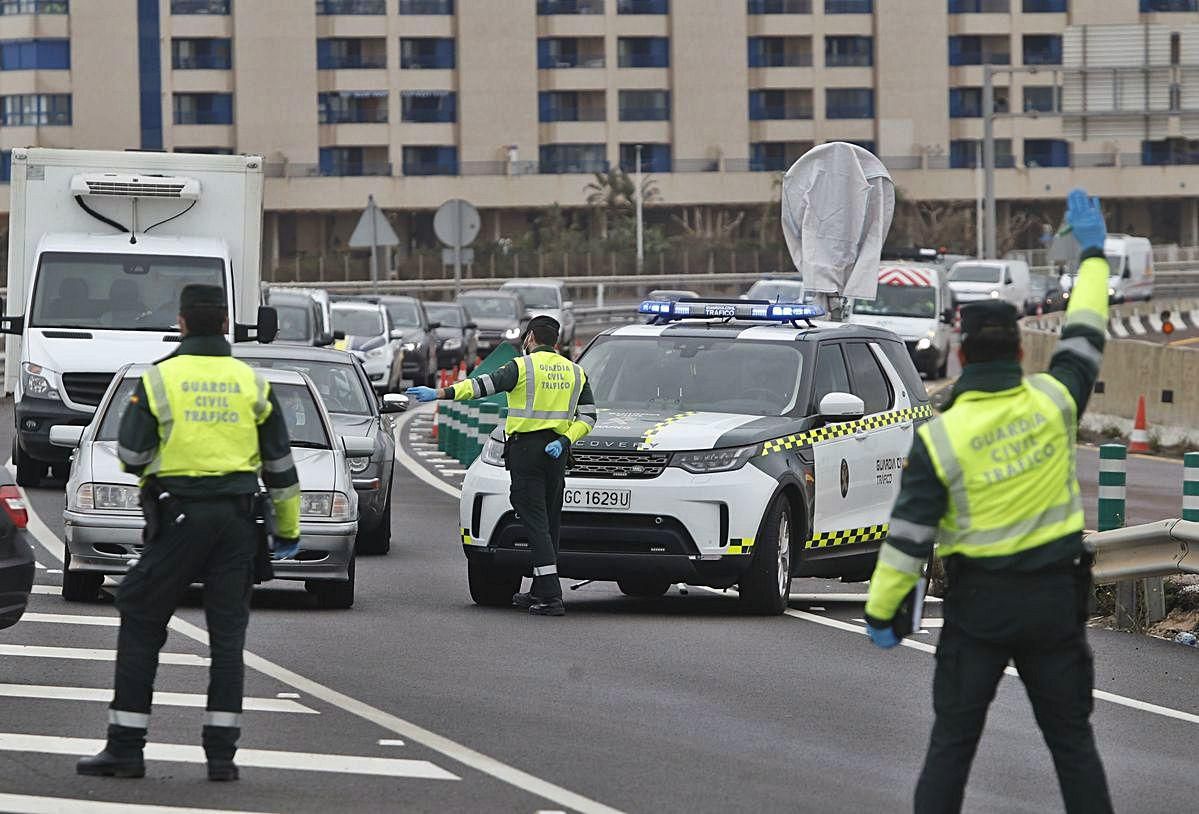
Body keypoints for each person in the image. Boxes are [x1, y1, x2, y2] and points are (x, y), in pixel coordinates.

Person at [863, 189, 1114, 813]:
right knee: (1073, 746)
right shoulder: (1055, 402)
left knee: (952, 746)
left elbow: (908, 538)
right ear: (1022, 351)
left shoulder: (941, 436)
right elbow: (1086, 333)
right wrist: (1093, 257)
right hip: (1054, 604)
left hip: (978, 611)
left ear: (963, 352)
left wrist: (883, 611)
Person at [76, 284, 301, 782]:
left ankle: (126, 748)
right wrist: (287, 529)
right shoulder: (252, 383)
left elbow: (131, 454)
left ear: (180, 323)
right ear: (224, 324)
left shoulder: (159, 379)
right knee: (227, 637)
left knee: (140, 613)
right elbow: (281, 467)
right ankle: (221, 758)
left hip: (178, 517)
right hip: (240, 523)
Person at [407, 315, 596, 616]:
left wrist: (440, 393)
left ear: (530, 338)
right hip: (557, 453)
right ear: (556, 341)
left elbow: (480, 387)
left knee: (535, 522)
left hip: (526, 451)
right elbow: (588, 416)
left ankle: (550, 595)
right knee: (549, 522)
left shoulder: (522, 367)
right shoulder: (576, 371)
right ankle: (539, 589)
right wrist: (565, 440)